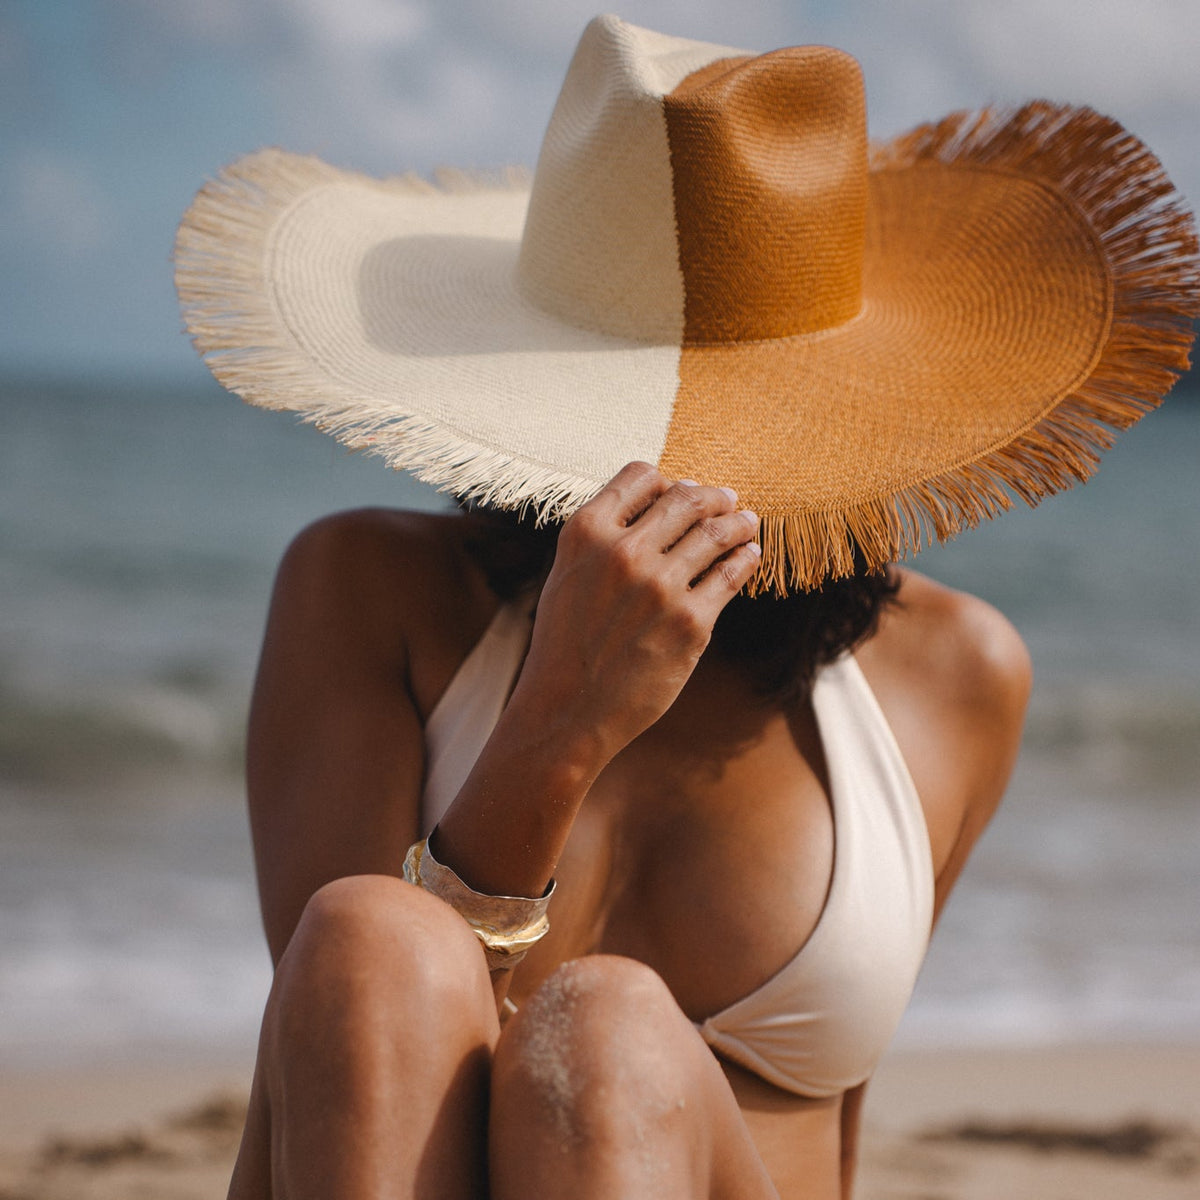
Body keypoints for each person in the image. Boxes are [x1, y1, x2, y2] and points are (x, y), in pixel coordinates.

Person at [175, 15, 1198, 1199]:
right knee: (373, 936)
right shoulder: (371, 592)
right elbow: (344, 1062)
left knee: (610, 1039)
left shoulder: (957, 673)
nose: (703, 459)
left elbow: (842, 1135)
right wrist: (559, 718)